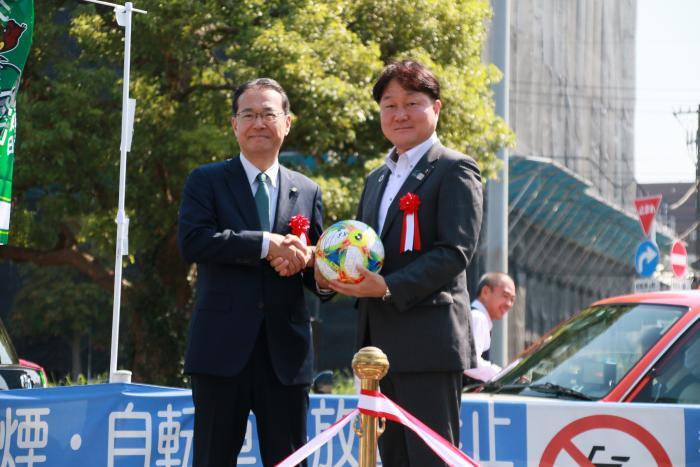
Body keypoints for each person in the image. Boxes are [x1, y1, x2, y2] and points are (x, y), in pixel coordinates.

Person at [320, 59, 483, 466]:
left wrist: (388, 286)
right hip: (376, 346)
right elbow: (366, 248)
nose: (400, 114)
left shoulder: (454, 168)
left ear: (437, 108)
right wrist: (331, 270)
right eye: (389, 105)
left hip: (428, 343)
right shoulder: (376, 178)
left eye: (412, 102)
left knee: (429, 459)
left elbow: (455, 252)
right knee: (387, 458)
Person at [178, 78, 325, 466]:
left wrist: (308, 259)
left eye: (268, 114)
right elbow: (194, 241)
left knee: (291, 460)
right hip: (220, 352)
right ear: (234, 125)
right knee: (213, 458)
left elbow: (318, 275)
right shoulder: (206, 181)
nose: (258, 123)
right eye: (248, 114)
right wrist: (266, 244)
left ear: (287, 122)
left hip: (286, 357)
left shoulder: (307, 190)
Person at [464, 272, 516, 383]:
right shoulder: (478, 317)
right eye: (505, 296)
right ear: (485, 292)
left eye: (512, 299)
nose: (509, 304)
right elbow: (470, 362)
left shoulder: (476, 316)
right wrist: (503, 375)